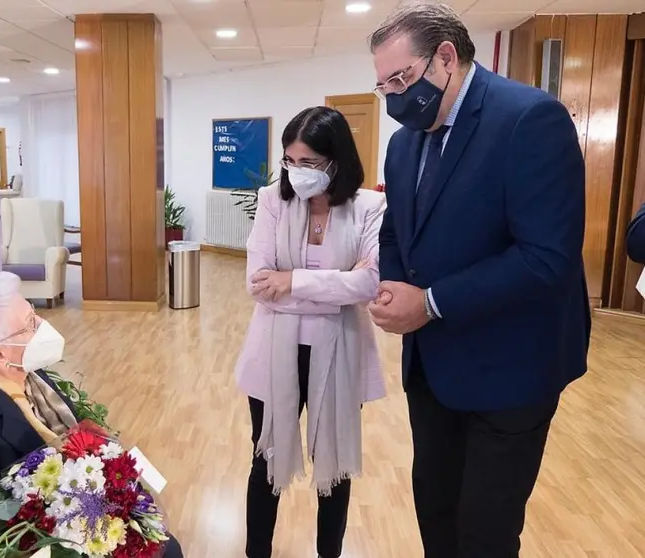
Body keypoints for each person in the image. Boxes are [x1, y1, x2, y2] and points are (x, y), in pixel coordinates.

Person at [367, 4, 590, 557]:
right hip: (434, 369)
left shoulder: (529, 118)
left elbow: (545, 258)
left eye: (401, 79)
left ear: (445, 57)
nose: (394, 97)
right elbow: (397, 232)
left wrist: (432, 303)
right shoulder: (404, 143)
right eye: (382, 86)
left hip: (510, 370)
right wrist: (395, 289)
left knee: (485, 533)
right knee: (435, 511)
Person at [0, 271, 183, 557]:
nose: (43, 325)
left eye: (34, 314)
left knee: (164, 545)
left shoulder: (32, 378)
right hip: (42, 541)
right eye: (30, 324)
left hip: (85, 517)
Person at [235, 106, 387, 558]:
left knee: (333, 462)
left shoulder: (369, 206)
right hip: (274, 350)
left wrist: (294, 281)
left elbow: (371, 283)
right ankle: (256, 551)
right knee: (267, 457)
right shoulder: (272, 201)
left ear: (337, 161)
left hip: (339, 352)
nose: (296, 173)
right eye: (290, 161)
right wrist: (337, 286)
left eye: (309, 164)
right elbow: (258, 284)